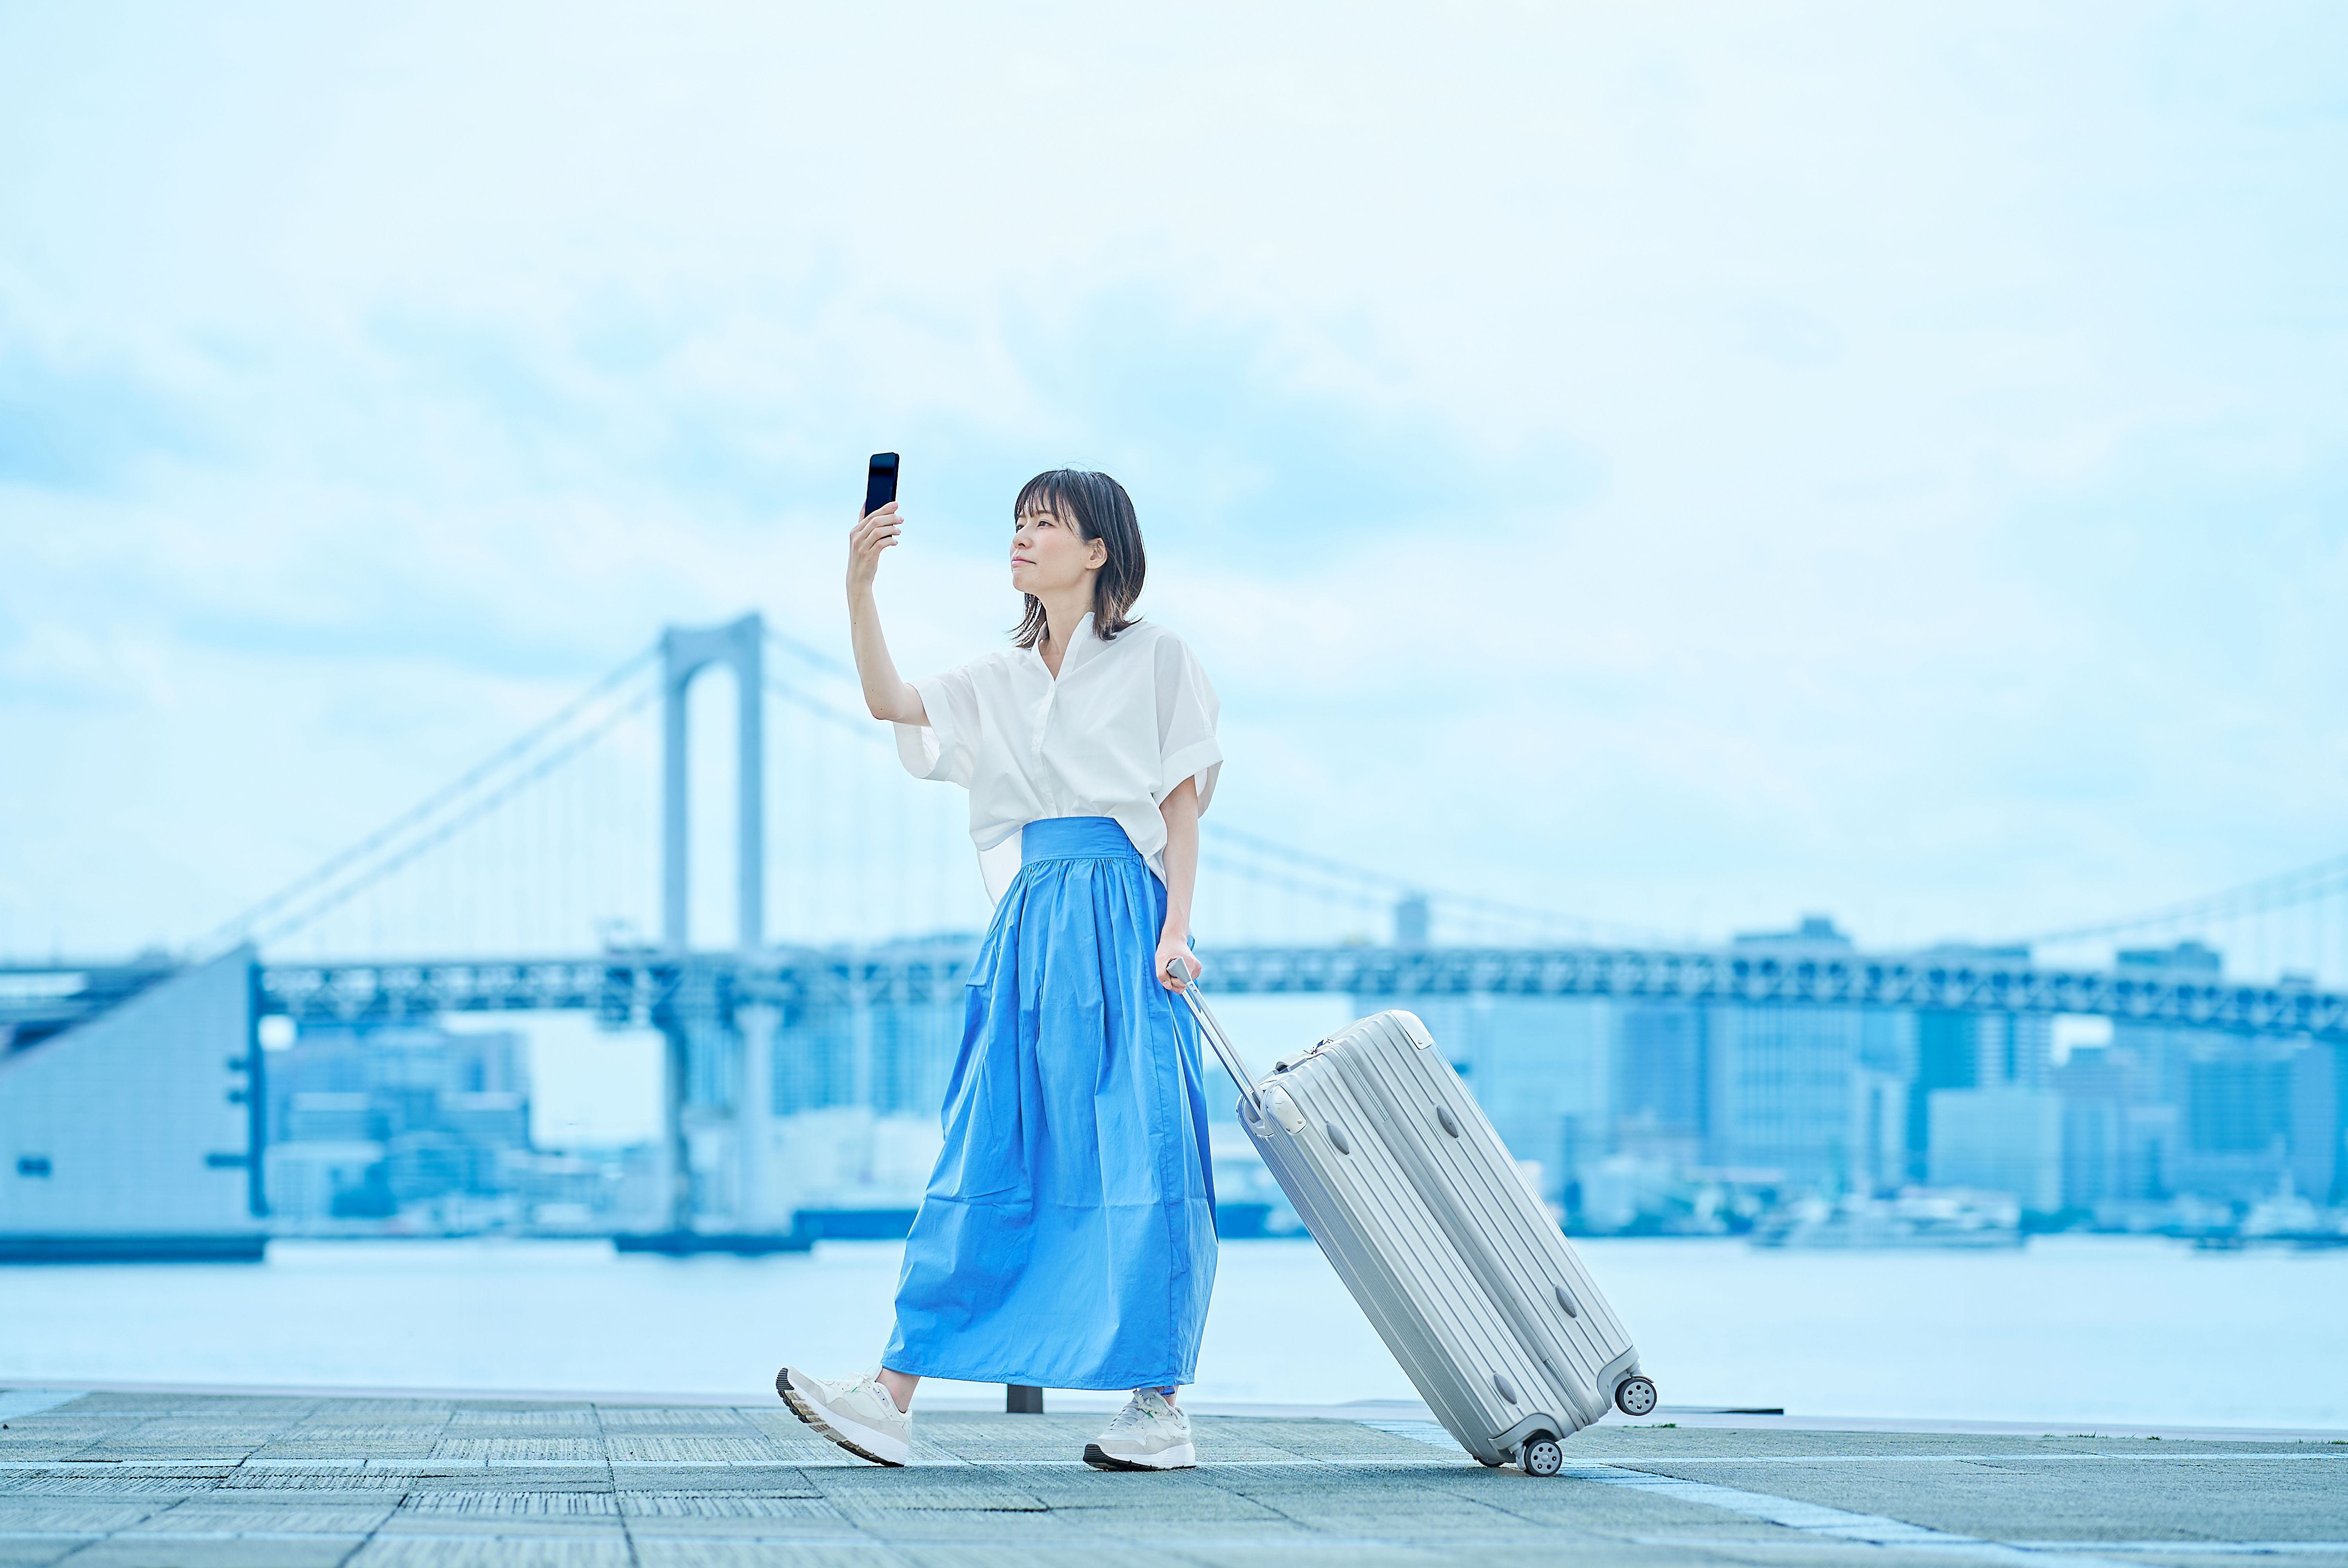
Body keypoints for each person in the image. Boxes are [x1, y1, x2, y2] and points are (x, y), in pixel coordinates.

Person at [779, 468, 1223, 1473]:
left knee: (1142, 1155)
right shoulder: (998, 676)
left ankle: (1158, 1409)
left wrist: (1177, 929)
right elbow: (890, 699)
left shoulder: (1159, 658)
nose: (1021, 539)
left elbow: (1183, 803)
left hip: (1124, 911)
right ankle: (892, 1393)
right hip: (1030, 920)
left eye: (1045, 525)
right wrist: (860, 589)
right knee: (984, 1147)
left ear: (1098, 550)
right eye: (1016, 524)